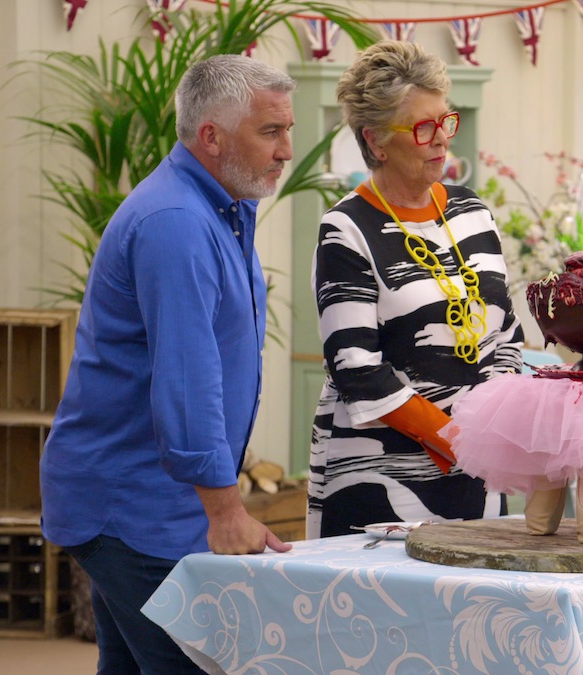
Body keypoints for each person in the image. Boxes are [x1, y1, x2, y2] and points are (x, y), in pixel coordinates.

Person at [40, 54, 296, 672]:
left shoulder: (223, 208)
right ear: (211, 136)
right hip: (133, 507)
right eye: (270, 132)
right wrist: (226, 511)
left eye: (287, 130)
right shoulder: (176, 222)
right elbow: (187, 380)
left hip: (158, 500)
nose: (286, 150)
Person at [308, 40, 524, 538]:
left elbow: (506, 334)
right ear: (377, 141)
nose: (442, 139)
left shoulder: (471, 211)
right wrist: (455, 439)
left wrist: (491, 429)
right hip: (382, 473)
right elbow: (356, 368)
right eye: (424, 127)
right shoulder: (346, 228)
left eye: (446, 121)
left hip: (478, 465)